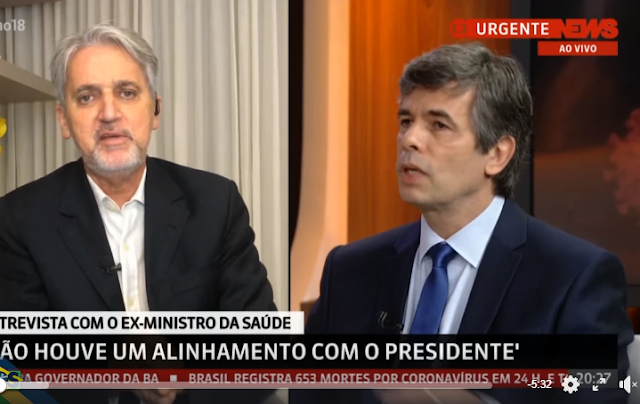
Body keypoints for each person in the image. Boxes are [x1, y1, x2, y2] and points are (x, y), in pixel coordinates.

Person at [291, 42, 633, 404]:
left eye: (438, 125)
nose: (410, 140)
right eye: (406, 121)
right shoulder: (348, 271)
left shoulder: (574, 278)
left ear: (497, 154)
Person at [0, 23, 276, 404]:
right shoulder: (18, 219)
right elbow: (16, 369)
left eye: (127, 92)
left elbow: (261, 346)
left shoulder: (215, 202)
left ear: (155, 109)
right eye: (87, 97)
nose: (109, 113)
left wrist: (183, 377)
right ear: (63, 119)